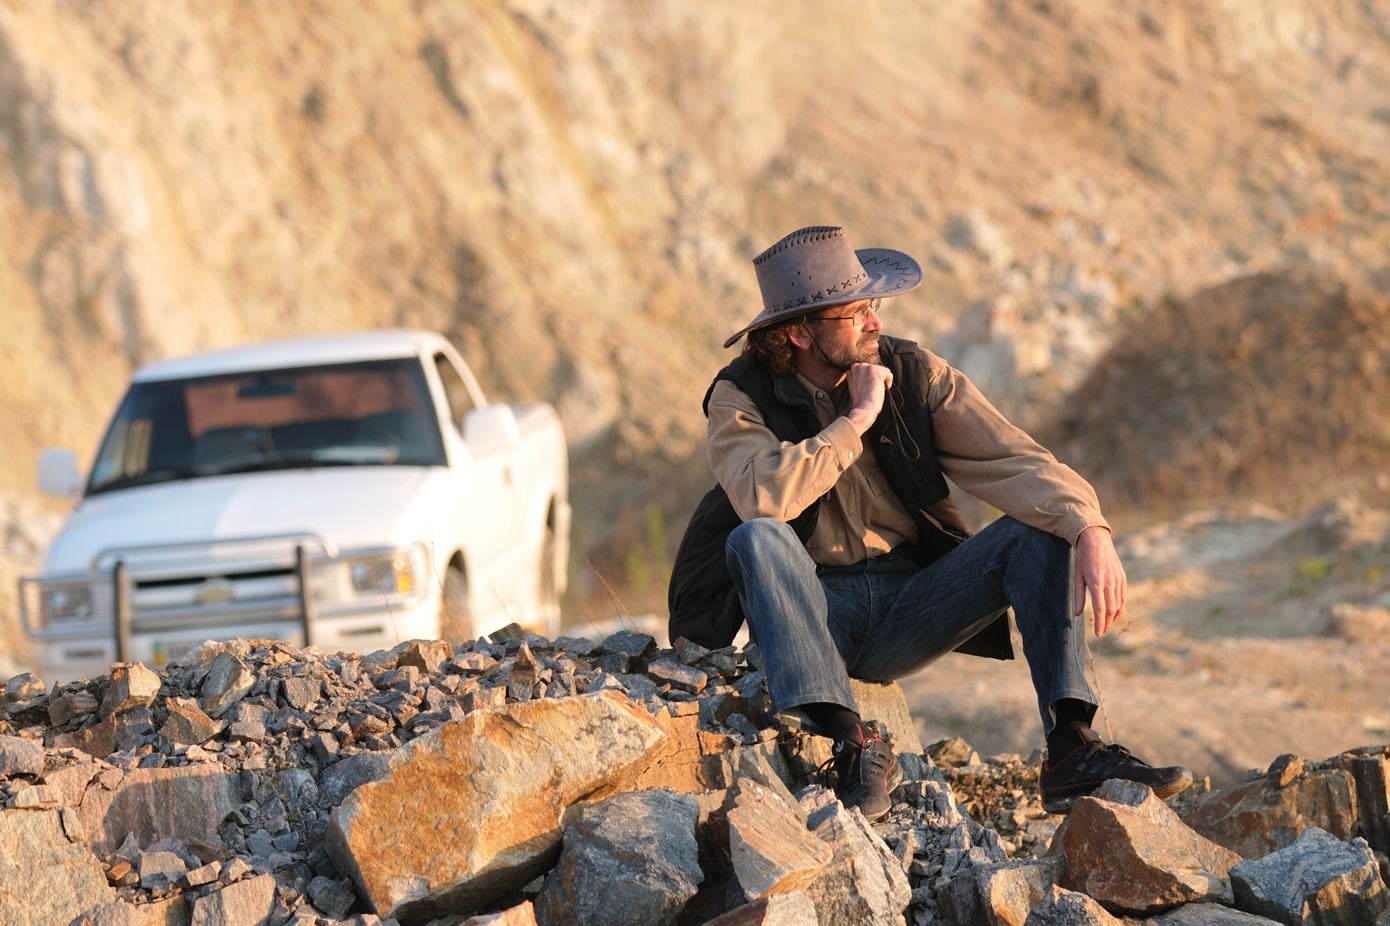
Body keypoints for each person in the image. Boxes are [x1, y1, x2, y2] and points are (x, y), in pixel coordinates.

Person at [668, 225, 1191, 821]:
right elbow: (763, 497)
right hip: (811, 609)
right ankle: (853, 745)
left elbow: (1015, 460)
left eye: (873, 305)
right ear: (799, 332)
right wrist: (856, 419)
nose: (874, 322)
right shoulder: (739, 397)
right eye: (856, 313)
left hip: (912, 602)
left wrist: (1090, 528)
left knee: (1041, 527)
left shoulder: (913, 372)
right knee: (756, 537)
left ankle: (1072, 746)